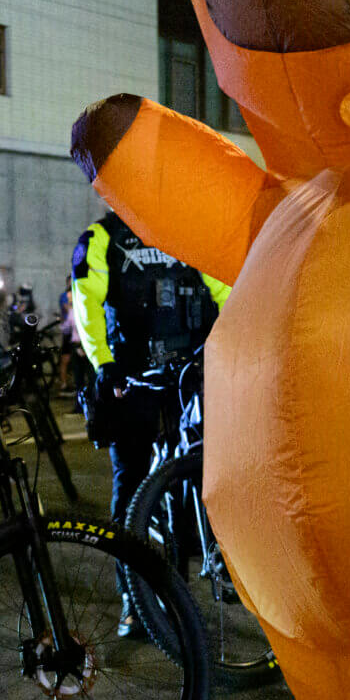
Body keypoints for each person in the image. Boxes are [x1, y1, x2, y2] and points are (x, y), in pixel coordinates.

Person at [70, 210, 230, 522]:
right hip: (131, 375)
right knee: (130, 479)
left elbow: (223, 290)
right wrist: (103, 361)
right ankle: (129, 565)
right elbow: (86, 300)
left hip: (191, 371)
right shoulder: (102, 236)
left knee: (213, 464)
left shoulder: (190, 232)